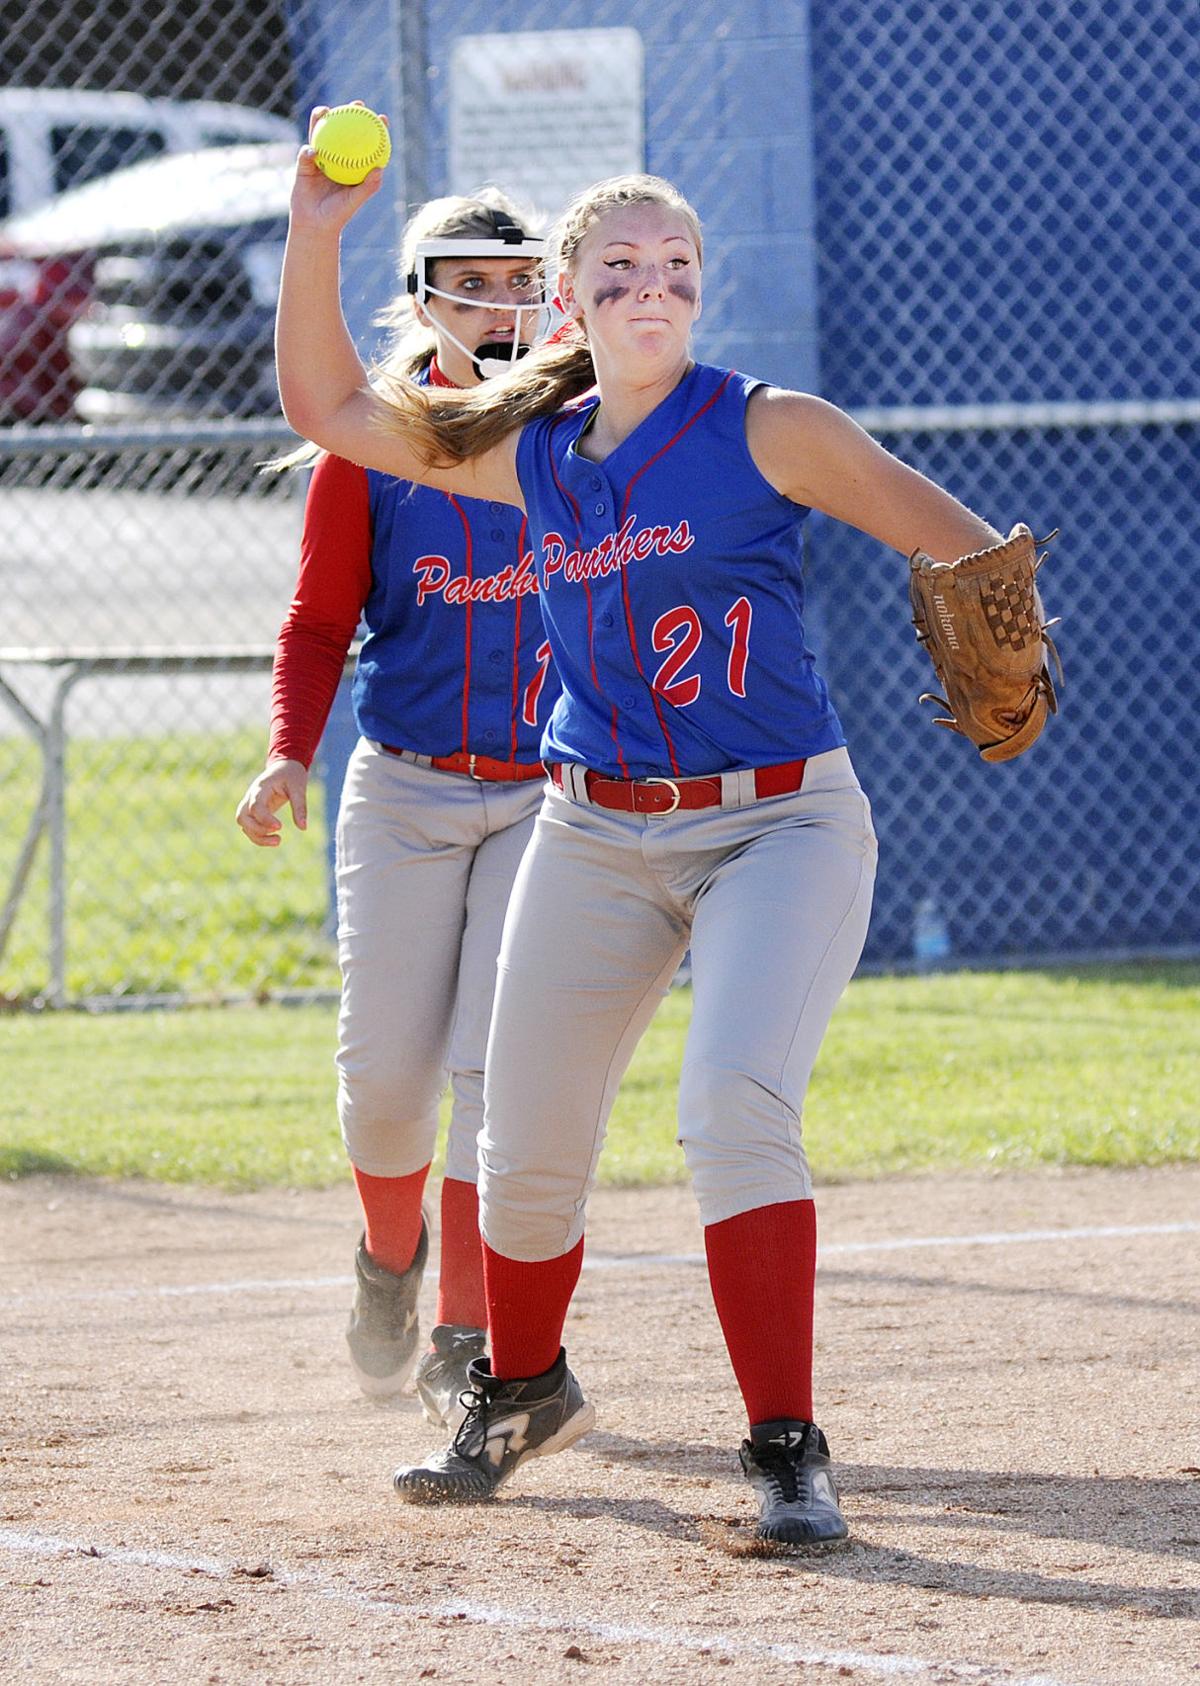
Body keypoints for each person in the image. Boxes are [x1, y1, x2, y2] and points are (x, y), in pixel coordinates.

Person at [275, 107, 1026, 1549]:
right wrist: (317, 229)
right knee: (525, 1138)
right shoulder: (535, 455)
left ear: (700, 288)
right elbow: (333, 414)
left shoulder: (769, 427)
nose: (654, 284)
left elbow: (955, 537)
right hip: (595, 829)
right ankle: (519, 1386)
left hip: (778, 828)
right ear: (570, 299)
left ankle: (787, 1450)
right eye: (619, 264)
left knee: (730, 1107)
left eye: (676, 262)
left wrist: (998, 607)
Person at [236, 184, 558, 1433]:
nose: (497, 301)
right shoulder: (372, 443)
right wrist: (287, 756)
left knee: (490, 1075)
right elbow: (318, 624)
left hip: (545, 798)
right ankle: (388, 1258)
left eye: (518, 278)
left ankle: (468, 1336)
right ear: (422, 296)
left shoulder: (581, 430)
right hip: (408, 786)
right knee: (384, 1083)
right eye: (469, 281)